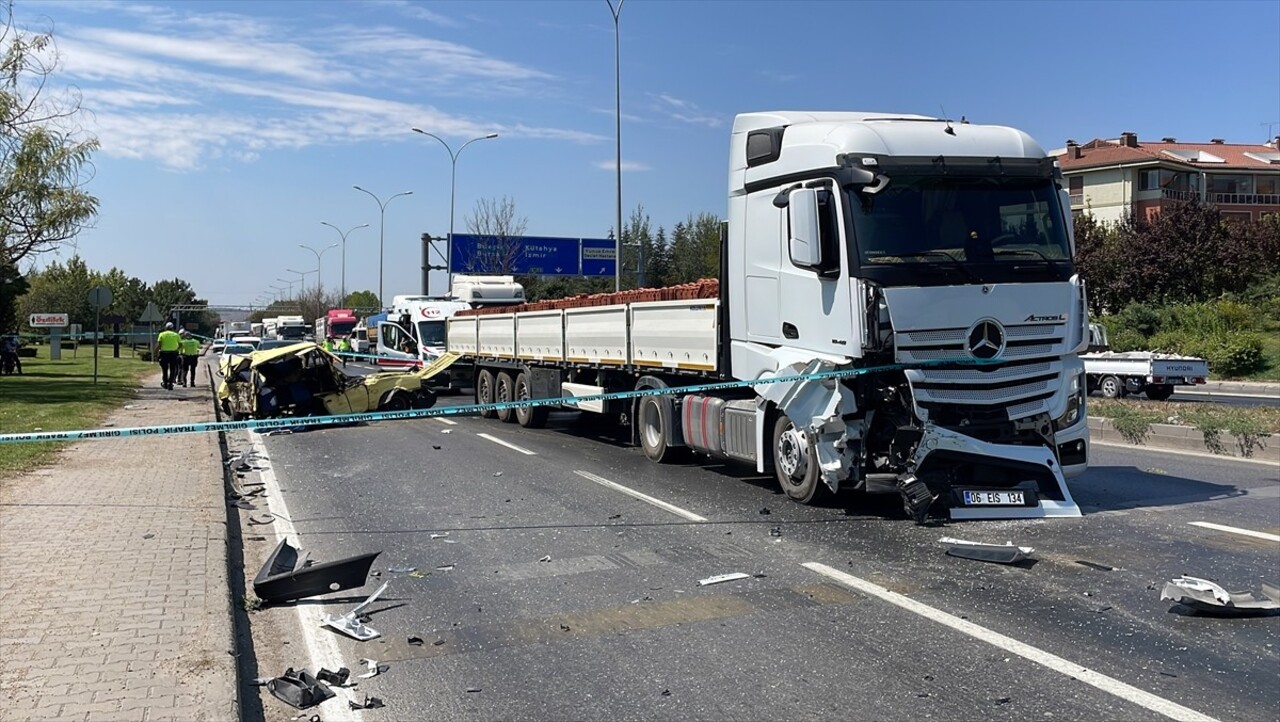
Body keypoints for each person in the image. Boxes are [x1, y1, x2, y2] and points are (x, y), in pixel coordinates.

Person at [156, 322, 182, 390]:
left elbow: (159, 344)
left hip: (164, 353)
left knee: (164, 370)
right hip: (173, 354)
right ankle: (170, 384)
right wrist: (177, 349)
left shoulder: (162, 334)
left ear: (166, 327)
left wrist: (156, 352)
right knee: (172, 369)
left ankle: (165, 383)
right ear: (172, 328)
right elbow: (180, 344)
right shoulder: (176, 335)